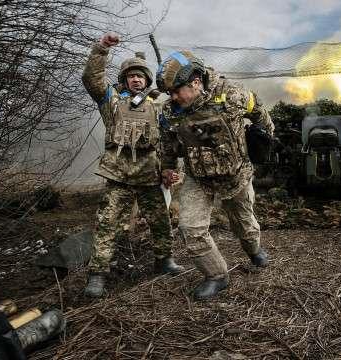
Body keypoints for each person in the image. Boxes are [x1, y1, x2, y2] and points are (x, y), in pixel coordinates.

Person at [156, 51, 275, 300]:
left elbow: (259, 112)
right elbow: (167, 144)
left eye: (177, 91)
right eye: (170, 93)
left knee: (244, 226)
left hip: (236, 175)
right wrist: (168, 167)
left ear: (196, 82)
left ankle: (254, 250)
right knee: (190, 227)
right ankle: (217, 276)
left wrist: (264, 136)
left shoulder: (232, 95)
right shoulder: (171, 112)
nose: (174, 98)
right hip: (199, 178)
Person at [81, 32, 184, 298]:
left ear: (147, 80)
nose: (136, 79)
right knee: (107, 224)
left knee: (161, 221)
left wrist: (169, 170)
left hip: (150, 175)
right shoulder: (112, 102)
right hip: (118, 175)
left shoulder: (159, 107)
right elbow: (91, 79)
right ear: (125, 80)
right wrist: (101, 49)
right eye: (131, 76)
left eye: (140, 75)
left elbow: (168, 141)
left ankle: (164, 260)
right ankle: (98, 274)